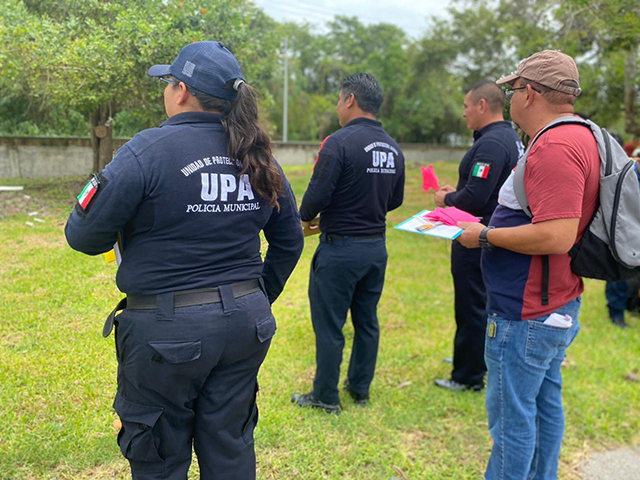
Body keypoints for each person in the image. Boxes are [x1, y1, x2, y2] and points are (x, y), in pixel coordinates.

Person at [65, 41, 304, 480]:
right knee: (230, 448)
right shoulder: (257, 154)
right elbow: (289, 241)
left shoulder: (148, 150)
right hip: (246, 326)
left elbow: (82, 235)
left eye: (168, 82)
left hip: (166, 333)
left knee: (158, 454)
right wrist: (254, 296)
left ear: (181, 91)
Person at [457, 50, 599, 479]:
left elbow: (557, 234)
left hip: (527, 313)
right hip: (553, 302)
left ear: (531, 93)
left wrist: (483, 235)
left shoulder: (555, 145)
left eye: (513, 89)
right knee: (543, 406)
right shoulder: (581, 135)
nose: (511, 98)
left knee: (513, 422)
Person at [291, 73, 405, 413]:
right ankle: (359, 388)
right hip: (375, 248)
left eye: (340, 100)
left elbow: (314, 200)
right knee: (366, 321)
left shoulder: (338, 142)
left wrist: (310, 214)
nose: (339, 107)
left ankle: (325, 397)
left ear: (351, 99)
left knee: (330, 325)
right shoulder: (394, 148)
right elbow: (395, 200)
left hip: (340, 249)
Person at [433, 80, 522, 391]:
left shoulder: (492, 144)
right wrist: (457, 193)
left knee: (472, 304)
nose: (463, 113)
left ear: (482, 106)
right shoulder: (506, 137)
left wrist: (447, 199)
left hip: (477, 238)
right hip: (489, 234)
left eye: (466, 106)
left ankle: (468, 374)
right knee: (480, 303)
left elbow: (475, 196)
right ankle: (471, 355)